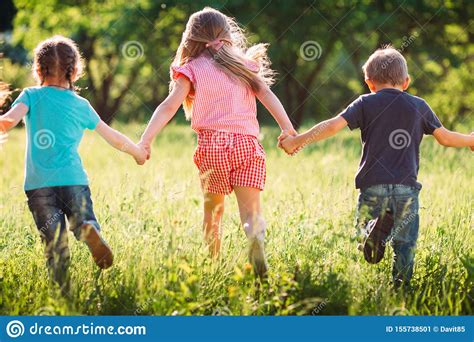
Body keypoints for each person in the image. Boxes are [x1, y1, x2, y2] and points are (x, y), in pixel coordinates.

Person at [279, 46, 474, 287]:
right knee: (405, 245)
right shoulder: (419, 105)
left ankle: (372, 229)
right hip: (406, 188)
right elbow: (445, 137)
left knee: (364, 237)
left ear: (369, 83)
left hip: (373, 185)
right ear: (406, 82)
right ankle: (401, 289)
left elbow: (331, 126)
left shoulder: (365, 103)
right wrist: (471, 140)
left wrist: (297, 140)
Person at [138, 7, 296, 278]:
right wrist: (288, 129)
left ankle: (214, 268)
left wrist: (145, 140)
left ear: (190, 40)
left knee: (214, 214)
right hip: (247, 145)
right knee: (250, 215)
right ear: (227, 34)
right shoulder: (243, 65)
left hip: (213, 148)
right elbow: (267, 95)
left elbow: (168, 106)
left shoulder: (191, 69)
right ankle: (255, 239)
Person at [0, 36, 147, 288]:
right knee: (83, 220)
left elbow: (9, 121)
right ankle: (86, 228)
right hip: (73, 180)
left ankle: (63, 294)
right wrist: (137, 152)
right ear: (75, 70)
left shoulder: (31, 96)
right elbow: (112, 137)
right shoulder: (81, 105)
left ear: (37, 68)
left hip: (39, 186)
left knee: (55, 245)